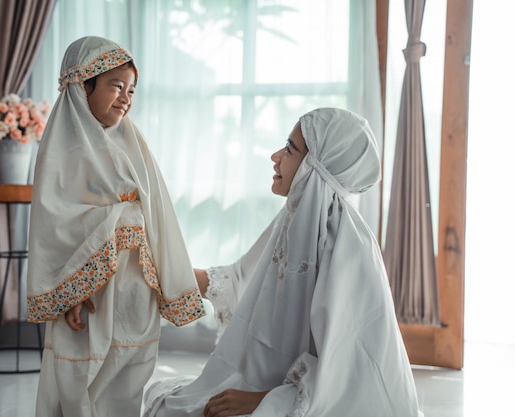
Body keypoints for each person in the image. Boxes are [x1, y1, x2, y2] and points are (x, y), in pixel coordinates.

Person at [143, 108, 424, 417]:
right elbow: (238, 280)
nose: (276, 156)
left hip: (314, 399)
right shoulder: (293, 220)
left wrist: (263, 399)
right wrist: (153, 269)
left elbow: (353, 367)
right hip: (268, 384)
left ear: (314, 167)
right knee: (169, 404)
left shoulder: (350, 247)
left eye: (290, 150)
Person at [26, 36, 206, 417]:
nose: (127, 97)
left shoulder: (132, 142)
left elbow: (156, 209)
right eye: (116, 86)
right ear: (82, 86)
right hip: (90, 291)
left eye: (132, 90)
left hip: (136, 284)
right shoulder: (64, 150)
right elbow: (55, 222)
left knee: (130, 368)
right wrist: (73, 287)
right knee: (81, 371)